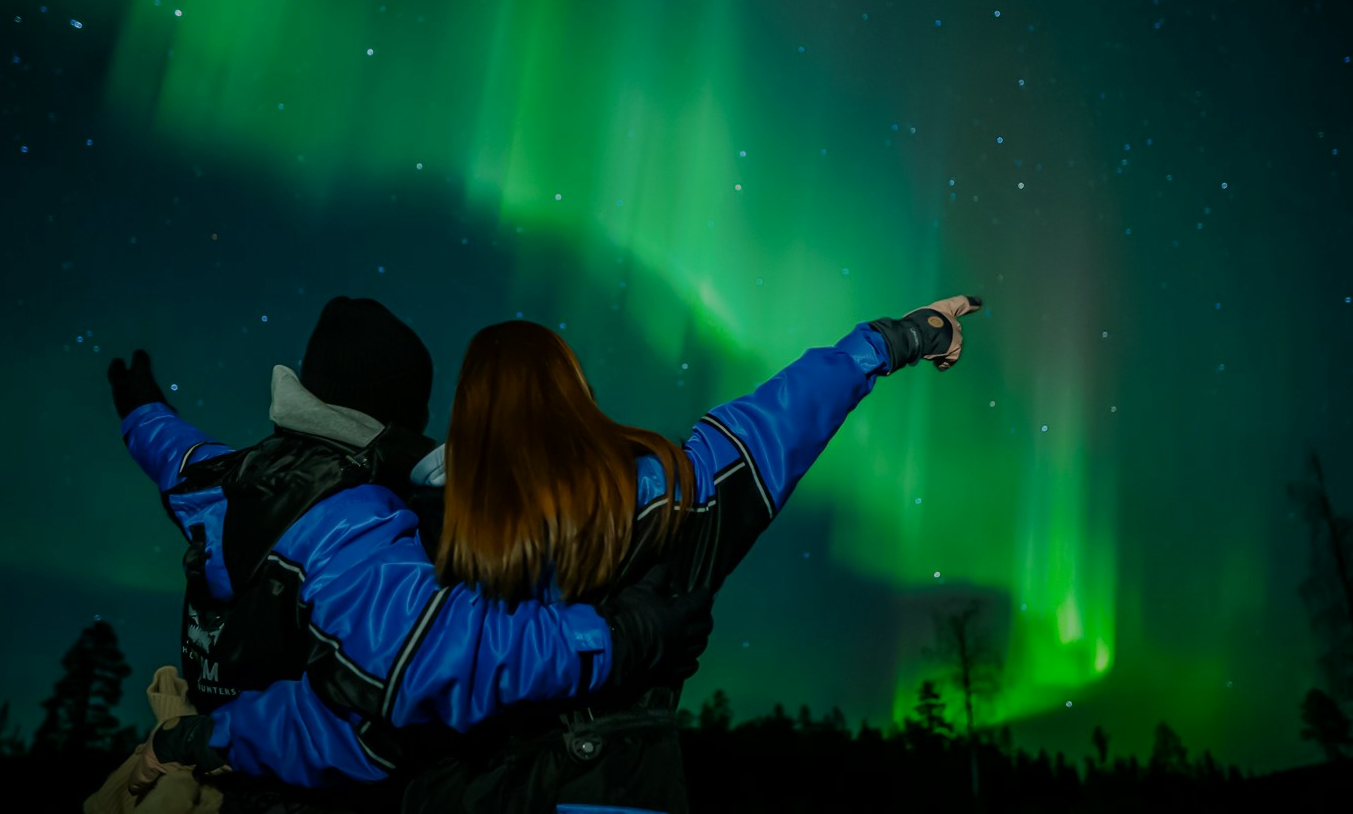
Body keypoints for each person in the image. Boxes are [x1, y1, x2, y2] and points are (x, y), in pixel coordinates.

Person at [104, 296, 715, 809]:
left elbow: (173, 454)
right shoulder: (357, 523)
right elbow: (444, 658)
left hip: (216, 761)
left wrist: (141, 412)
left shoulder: (224, 477)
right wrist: (622, 637)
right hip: (293, 790)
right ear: (401, 414)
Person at [397, 293, 985, 813]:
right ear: (575, 393)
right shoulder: (669, 494)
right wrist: (899, 337)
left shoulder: (402, 536)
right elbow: (777, 422)